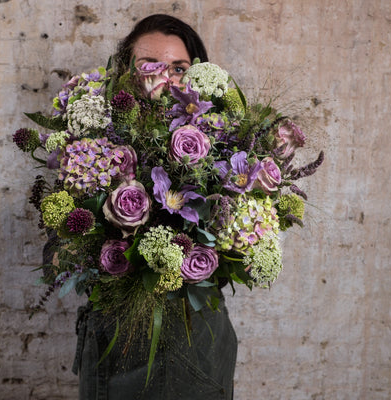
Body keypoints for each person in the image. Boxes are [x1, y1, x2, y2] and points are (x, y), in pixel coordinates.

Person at [44, 14, 238, 400]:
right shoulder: (90, 153)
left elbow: (237, 251)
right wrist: (90, 251)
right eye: (149, 66)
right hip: (118, 341)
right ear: (125, 73)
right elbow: (56, 250)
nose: (164, 78)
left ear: (196, 75)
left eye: (178, 68)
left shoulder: (226, 147)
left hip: (196, 341)